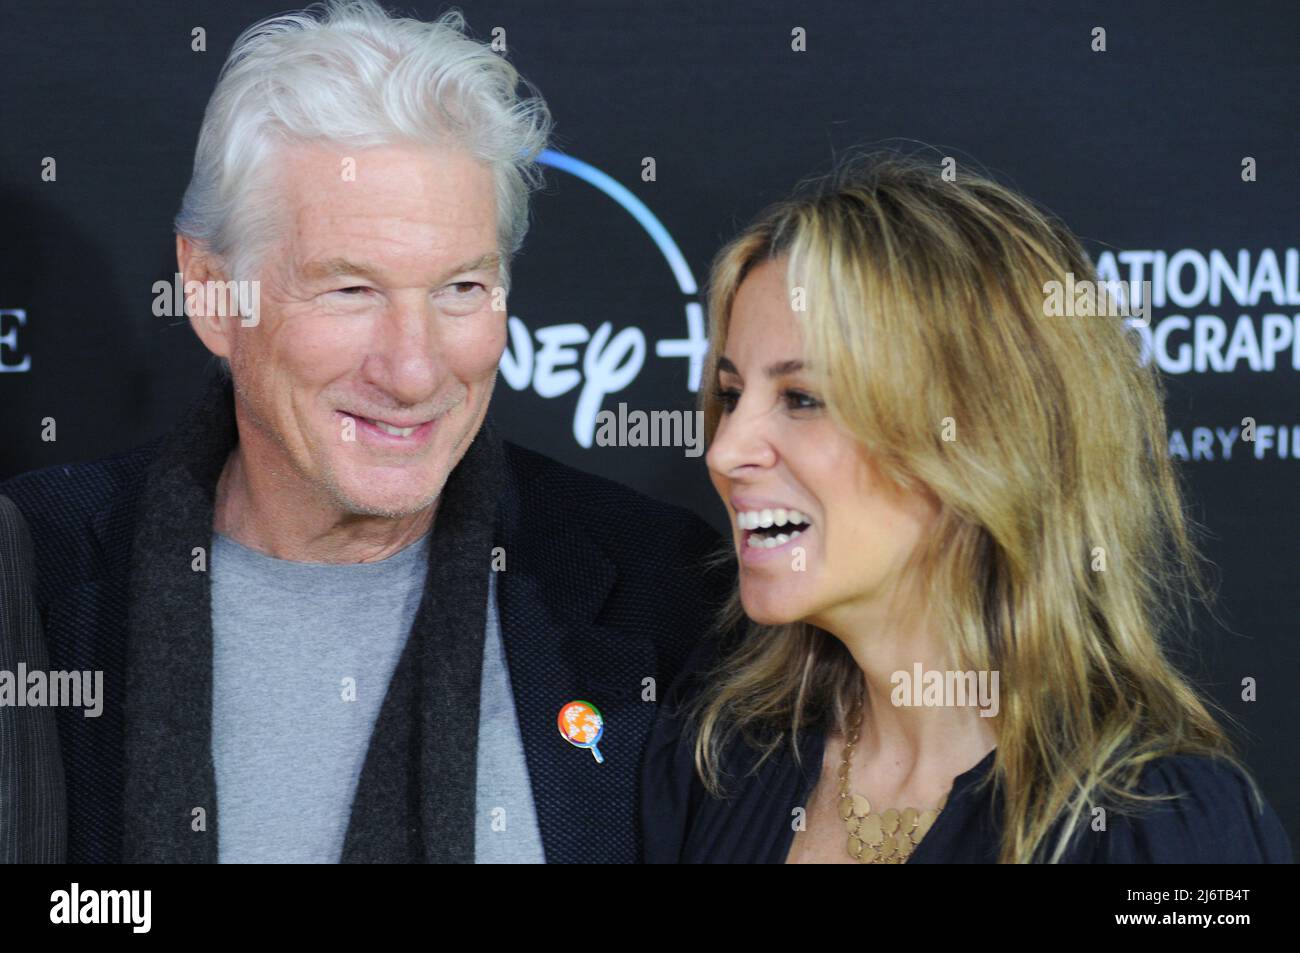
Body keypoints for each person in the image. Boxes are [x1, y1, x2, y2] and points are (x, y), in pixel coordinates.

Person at [0, 0, 728, 863]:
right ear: (208, 290)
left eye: (461, 288)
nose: (413, 370)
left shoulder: (660, 591)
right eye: (350, 290)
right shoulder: (38, 570)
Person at [641, 153, 1294, 863]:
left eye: (802, 399)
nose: (725, 448)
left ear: (976, 438)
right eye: (732, 395)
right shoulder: (720, 760)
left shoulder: (1161, 825)